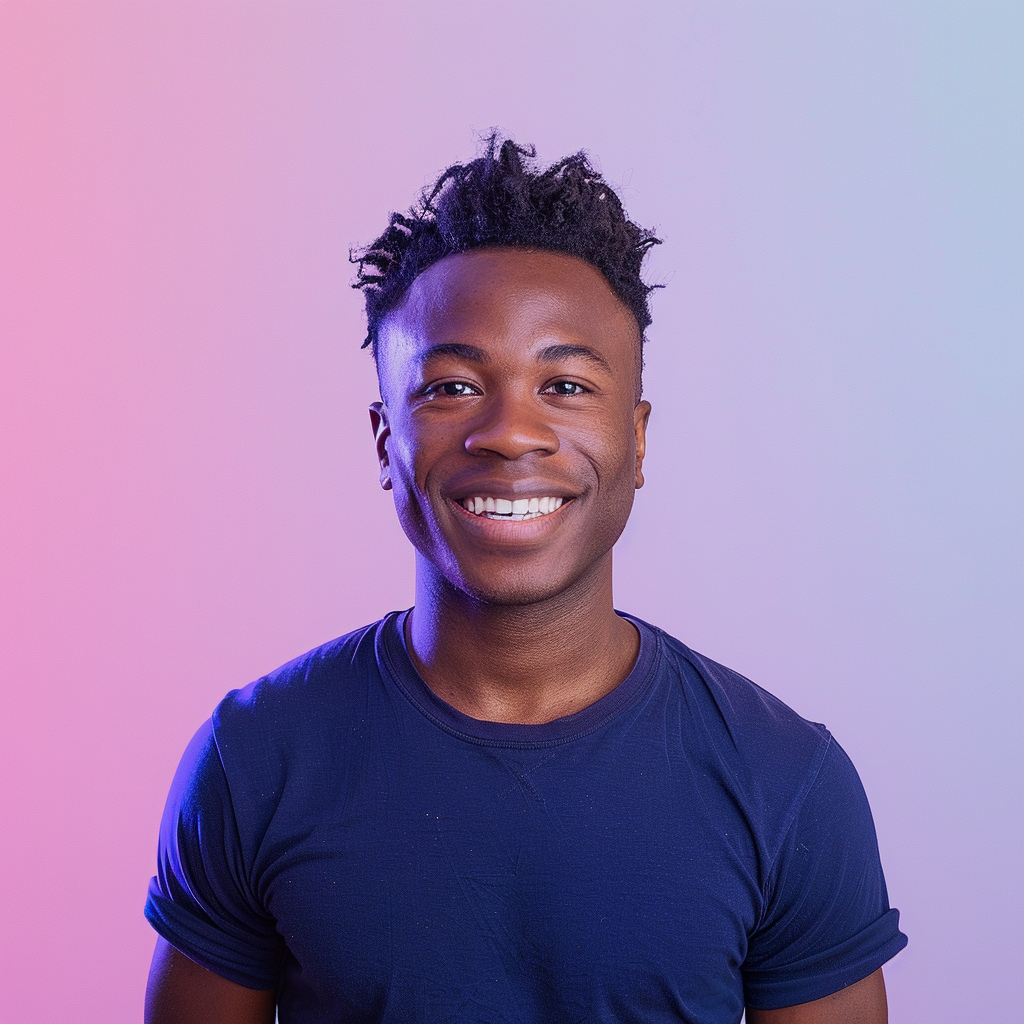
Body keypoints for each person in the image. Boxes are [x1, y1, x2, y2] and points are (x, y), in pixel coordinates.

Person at [144, 135, 907, 1024]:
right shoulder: (255, 761)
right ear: (387, 444)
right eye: (453, 387)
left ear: (639, 437)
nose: (510, 432)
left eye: (568, 386)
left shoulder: (786, 780)